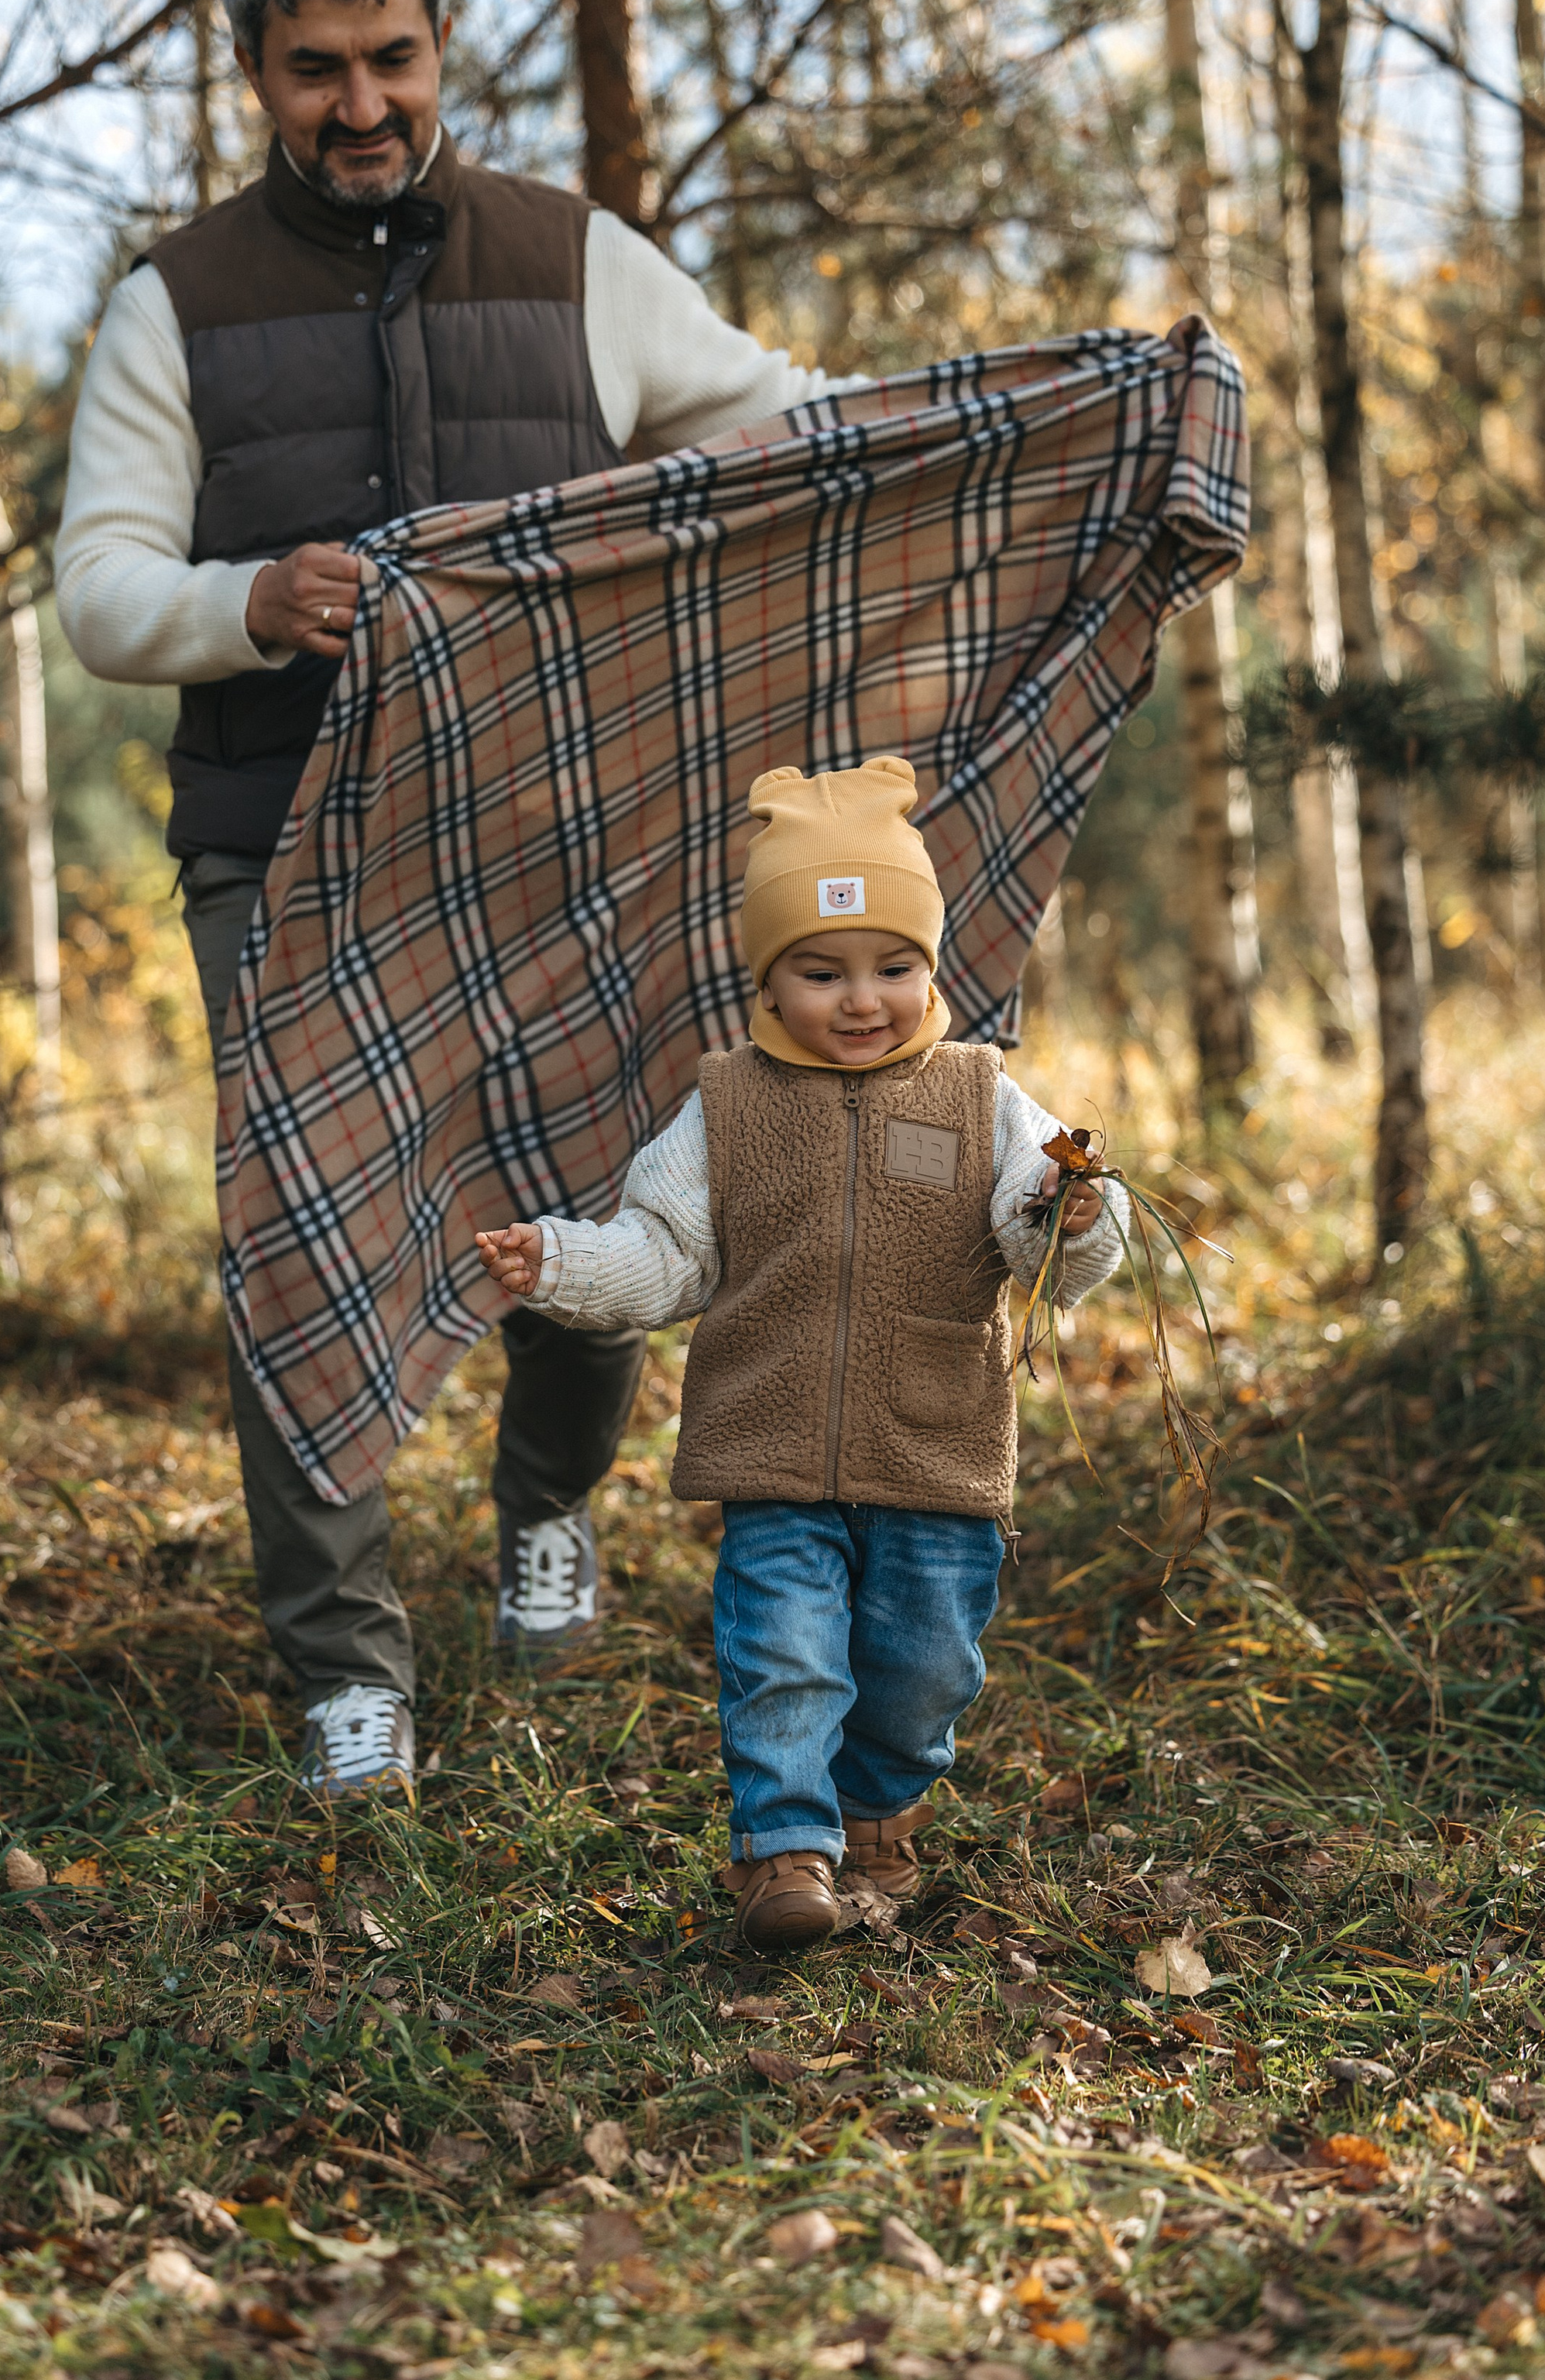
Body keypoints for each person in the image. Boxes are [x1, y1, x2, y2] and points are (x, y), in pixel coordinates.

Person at [54, 0, 860, 1800]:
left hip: (557, 843)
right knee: (302, 1229)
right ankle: (344, 1663)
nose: (358, 104)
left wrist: (1024, 419)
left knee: (585, 1203)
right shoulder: (174, 310)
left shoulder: (575, 260)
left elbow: (785, 421)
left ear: (439, 48)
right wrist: (247, 605)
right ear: (253, 72)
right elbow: (98, 591)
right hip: (285, 853)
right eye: (313, 68)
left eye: (389, 59)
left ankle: (544, 1508)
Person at [475, 757, 1124, 1951]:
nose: (861, 997)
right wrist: (561, 1264)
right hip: (772, 1443)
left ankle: (876, 1807)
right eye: (820, 972)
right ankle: (785, 1849)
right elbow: (667, 1255)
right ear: (768, 977)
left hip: (934, 1443)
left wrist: (1066, 1214)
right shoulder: (725, 1105)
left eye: (893, 966)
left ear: (932, 966)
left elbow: (1042, 1242)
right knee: (784, 1654)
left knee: (926, 1665)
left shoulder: (983, 1096)